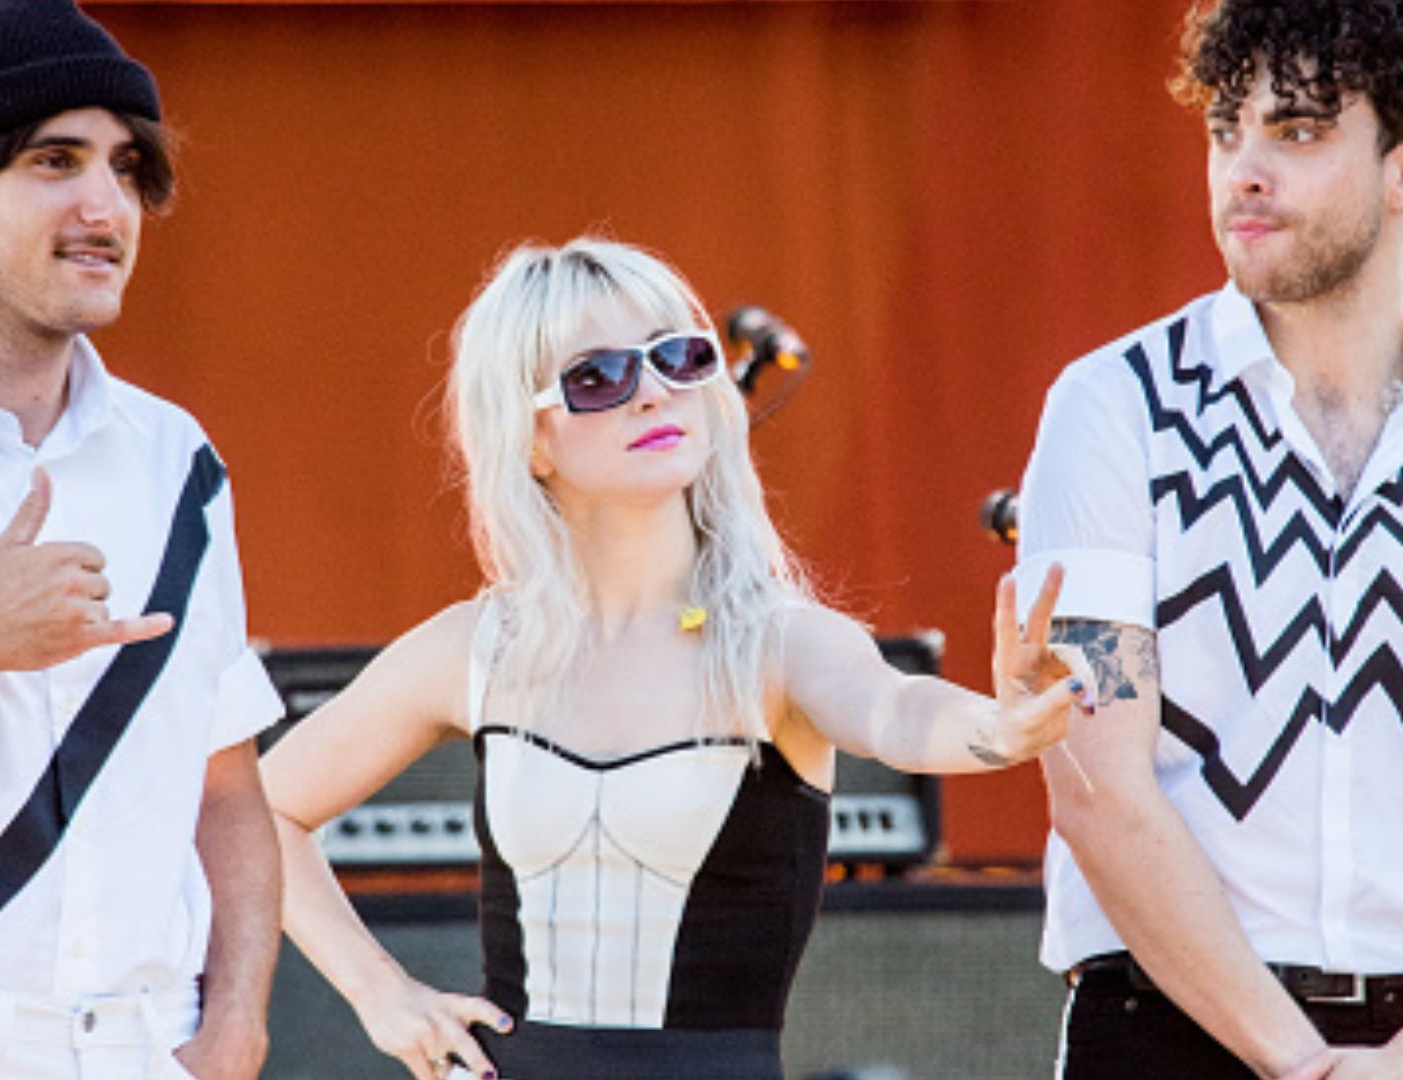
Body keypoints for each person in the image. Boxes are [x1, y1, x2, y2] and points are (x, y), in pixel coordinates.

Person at [260, 236, 1093, 1080]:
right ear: (531, 440)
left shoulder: (780, 640)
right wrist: (382, 996)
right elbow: (261, 810)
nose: (654, 391)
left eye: (680, 358)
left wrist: (997, 727)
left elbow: (895, 712)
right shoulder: (476, 646)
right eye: (598, 377)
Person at [1013, 2, 1403, 1078]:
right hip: (1165, 1027)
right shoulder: (1113, 409)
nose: (1243, 170)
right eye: (1225, 131)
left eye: (1295, 132)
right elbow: (1100, 778)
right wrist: (1300, 1063)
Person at [0, 1, 283, 1077]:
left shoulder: (177, 460)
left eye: (126, 166)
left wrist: (238, 1025)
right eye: (56, 160)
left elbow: (226, 785)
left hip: (144, 1047)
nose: (107, 205)